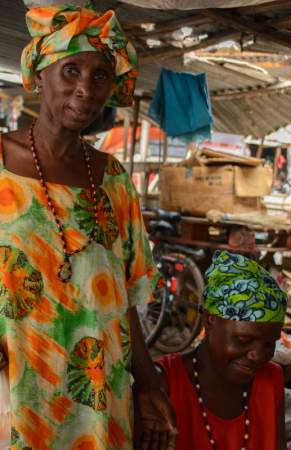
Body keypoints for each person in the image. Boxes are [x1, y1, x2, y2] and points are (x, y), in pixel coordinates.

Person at [0, 3, 177, 449]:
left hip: (100, 390)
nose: (85, 88)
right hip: (18, 381)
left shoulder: (113, 178)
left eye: (100, 75)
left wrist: (150, 381)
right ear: (39, 74)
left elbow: (127, 293)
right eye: (71, 70)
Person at [157, 250, 288, 450]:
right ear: (209, 321)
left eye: (269, 344)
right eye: (244, 339)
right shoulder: (164, 383)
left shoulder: (271, 379)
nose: (258, 355)